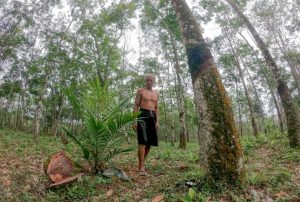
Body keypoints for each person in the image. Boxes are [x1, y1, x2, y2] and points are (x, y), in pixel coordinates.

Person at [133, 74, 159, 176]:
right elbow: (136, 105)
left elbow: (157, 108)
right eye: (147, 80)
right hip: (142, 115)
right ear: (145, 81)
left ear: (154, 81)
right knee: (142, 141)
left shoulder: (156, 93)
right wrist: (134, 120)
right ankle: (141, 167)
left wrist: (157, 121)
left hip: (152, 116)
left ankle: (142, 162)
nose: (149, 82)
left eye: (151, 80)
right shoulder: (141, 91)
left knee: (149, 142)